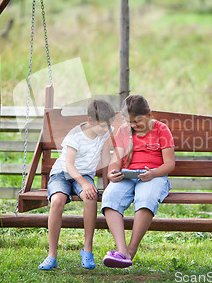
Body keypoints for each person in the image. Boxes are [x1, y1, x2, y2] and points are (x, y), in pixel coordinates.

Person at [38, 99, 116, 270]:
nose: (106, 129)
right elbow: (69, 165)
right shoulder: (76, 136)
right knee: (58, 200)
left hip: (85, 175)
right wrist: (84, 183)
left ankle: (87, 249)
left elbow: (105, 159)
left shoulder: (105, 132)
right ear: (90, 121)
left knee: (90, 197)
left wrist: (107, 184)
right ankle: (52, 254)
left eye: (108, 125)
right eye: (102, 126)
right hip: (62, 174)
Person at [101, 94, 175, 268]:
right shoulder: (124, 131)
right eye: (130, 122)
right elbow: (116, 159)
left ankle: (130, 251)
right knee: (110, 197)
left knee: (146, 198)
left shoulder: (161, 130)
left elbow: (170, 163)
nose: (134, 126)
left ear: (149, 115)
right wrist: (112, 173)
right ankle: (122, 251)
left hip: (154, 176)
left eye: (138, 121)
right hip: (128, 176)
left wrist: (153, 173)